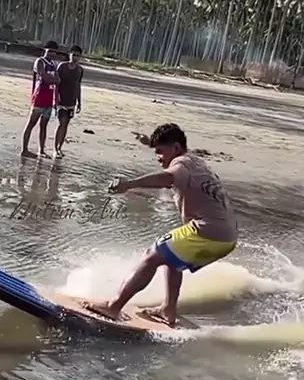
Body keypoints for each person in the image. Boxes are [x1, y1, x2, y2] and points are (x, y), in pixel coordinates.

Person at [83, 123, 238, 326]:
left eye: (160, 151)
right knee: (172, 258)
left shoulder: (181, 164)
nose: (158, 157)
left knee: (152, 255)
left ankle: (113, 306)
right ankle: (168, 310)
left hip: (207, 232)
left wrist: (129, 184)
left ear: (176, 148)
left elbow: (167, 178)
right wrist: (148, 141)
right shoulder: (195, 162)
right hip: (227, 237)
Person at [21, 40, 59, 158]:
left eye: (54, 52)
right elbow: (44, 78)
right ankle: (24, 149)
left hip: (49, 99)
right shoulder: (40, 61)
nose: (52, 53)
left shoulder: (53, 64)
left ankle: (41, 150)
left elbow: (57, 80)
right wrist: (52, 79)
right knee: (31, 124)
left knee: (44, 125)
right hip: (38, 98)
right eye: (50, 51)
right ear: (45, 50)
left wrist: (51, 79)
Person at [53, 44, 84, 159]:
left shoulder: (80, 70)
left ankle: (60, 147)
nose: (75, 57)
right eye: (73, 55)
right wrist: (55, 99)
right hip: (61, 100)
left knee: (66, 125)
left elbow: (78, 85)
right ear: (69, 54)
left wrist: (79, 101)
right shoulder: (62, 66)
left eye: (78, 56)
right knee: (61, 123)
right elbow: (56, 83)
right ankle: (55, 149)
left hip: (72, 101)